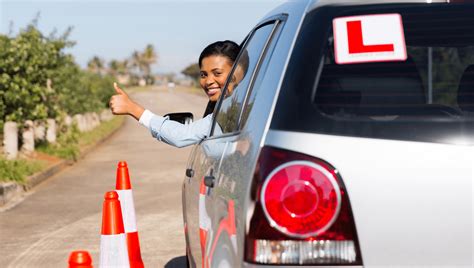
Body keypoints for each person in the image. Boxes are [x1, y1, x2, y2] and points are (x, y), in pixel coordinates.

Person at [109, 40, 245, 147]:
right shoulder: (230, 106)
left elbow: (181, 135)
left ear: (239, 72)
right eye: (203, 74)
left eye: (217, 73)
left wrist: (133, 108)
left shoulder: (233, 111)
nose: (208, 81)